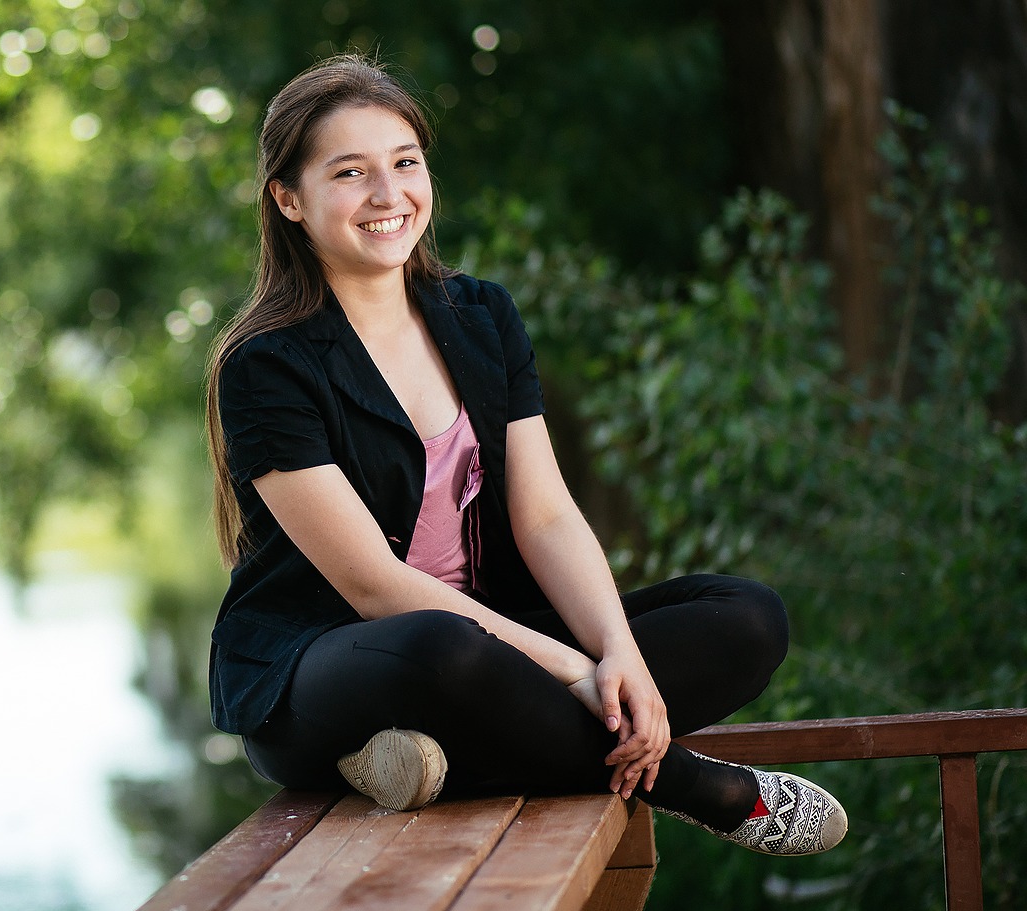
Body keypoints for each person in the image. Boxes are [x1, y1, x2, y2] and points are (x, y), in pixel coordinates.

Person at [204, 53, 847, 856]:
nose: (387, 195)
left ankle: (424, 763)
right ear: (289, 199)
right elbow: (375, 586)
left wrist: (617, 653)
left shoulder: (480, 315)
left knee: (749, 619)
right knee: (445, 648)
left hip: (494, 650)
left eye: (405, 162)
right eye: (349, 173)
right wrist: (575, 672)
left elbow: (543, 514)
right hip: (336, 667)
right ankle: (697, 787)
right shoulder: (269, 366)